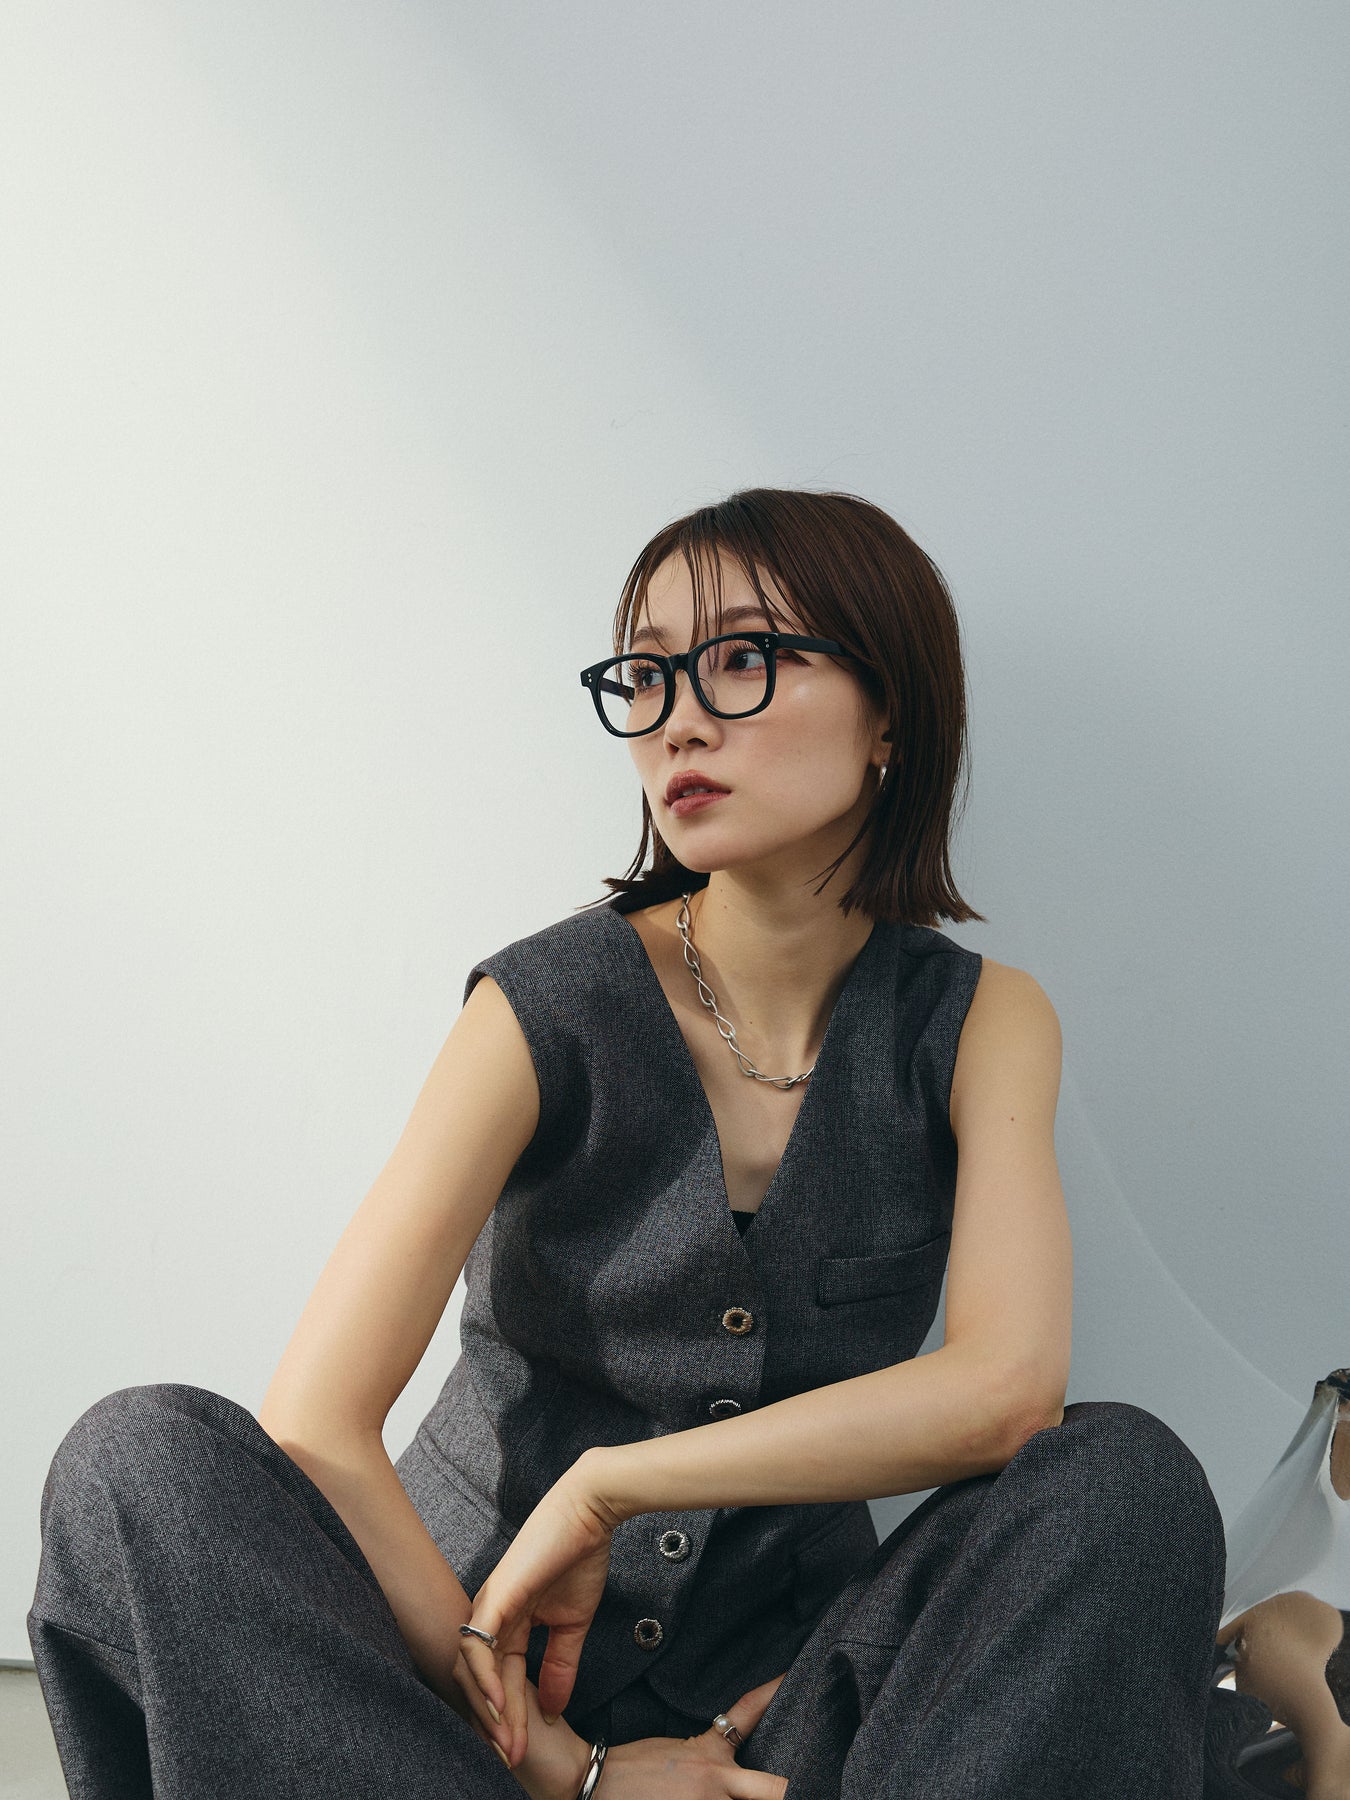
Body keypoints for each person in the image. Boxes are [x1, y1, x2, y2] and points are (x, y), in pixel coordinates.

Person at [28, 488, 1227, 1799]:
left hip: (765, 1735)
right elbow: (319, 1420)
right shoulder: (541, 1007)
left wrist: (613, 1486)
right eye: (647, 675)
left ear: (890, 713)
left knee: (1124, 1478)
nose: (679, 721)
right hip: (450, 1721)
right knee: (136, 1459)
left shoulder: (982, 1022)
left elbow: (1005, 1391)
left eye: (741, 658)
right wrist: (567, 1767)